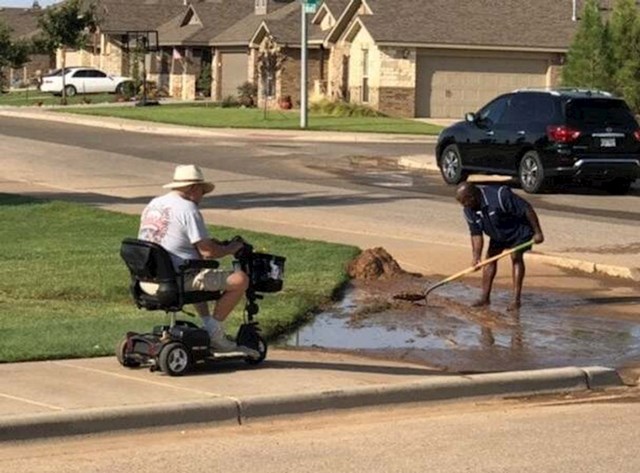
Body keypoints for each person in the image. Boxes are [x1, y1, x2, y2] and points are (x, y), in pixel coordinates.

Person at [138, 164, 257, 356]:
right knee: (240, 280)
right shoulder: (188, 209)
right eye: (202, 191)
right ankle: (215, 334)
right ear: (193, 188)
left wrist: (213, 244)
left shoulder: (154, 204)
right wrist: (231, 248)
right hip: (176, 279)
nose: (202, 196)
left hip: (148, 279)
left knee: (198, 270)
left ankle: (207, 323)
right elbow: (208, 253)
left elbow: (179, 240)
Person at [455, 182, 544, 311]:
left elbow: (527, 208)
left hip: (518, 230)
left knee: (516, 256)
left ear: (472, 197)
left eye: (464, 202)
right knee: (489, 259)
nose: (464, 206)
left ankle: (516, 300)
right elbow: (476, 234)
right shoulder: (469, 210)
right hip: (498, 234)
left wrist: (538, 232)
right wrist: (476, 257)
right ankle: (485, 298)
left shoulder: (500, 195)